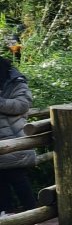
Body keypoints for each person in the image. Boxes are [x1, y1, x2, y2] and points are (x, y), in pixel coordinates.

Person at [0, 54, 38, 213]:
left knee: (17, 178)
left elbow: (22, 105)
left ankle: (34, 214)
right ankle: (6, 216)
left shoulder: (16, 82)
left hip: (13, 139)